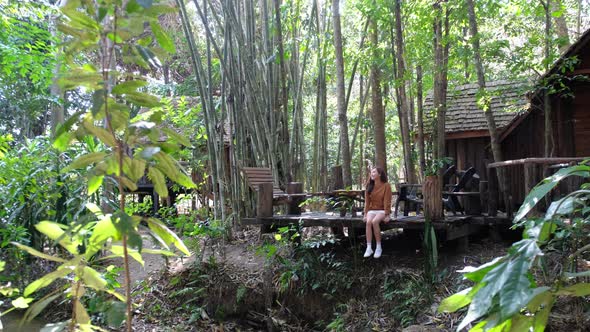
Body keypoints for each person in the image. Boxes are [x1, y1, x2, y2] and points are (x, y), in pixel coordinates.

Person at [363, 167, 392, 258]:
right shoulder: (369, 186)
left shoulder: (386, 185)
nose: (371, 173)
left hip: (382, 210)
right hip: (372, 210)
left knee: (375, 221)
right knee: (368, 222)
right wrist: (365, 214)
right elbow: (367, 202)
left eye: (374, 172)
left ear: (379, 174)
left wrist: (387, 214)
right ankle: (369, 248)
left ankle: (378, 247)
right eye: (371, 172)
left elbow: (387, 200)